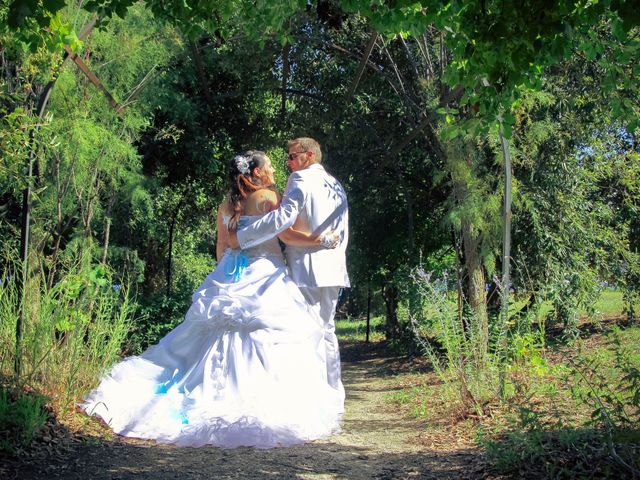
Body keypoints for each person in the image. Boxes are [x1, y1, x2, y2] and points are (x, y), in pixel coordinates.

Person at [82, 151, 343, 448]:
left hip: (231, 271)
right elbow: (287, 235)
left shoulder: (226, 204)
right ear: (256, 173)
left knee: (213, 331)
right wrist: (320, 240)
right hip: (264, 272)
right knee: (270, 331)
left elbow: (222, 245)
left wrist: (227, 276)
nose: (273, 171)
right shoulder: (270, 197)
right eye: (269, 166)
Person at [229, 137, 349, 401]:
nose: (288, 163)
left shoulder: (300, 179)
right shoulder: (336, 185)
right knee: (327, 330)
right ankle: (333, 394)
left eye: (292, 157)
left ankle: (312, 397)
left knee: (304, 331)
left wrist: (245, 234)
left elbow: (284, 219)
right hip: (333, 268)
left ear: (308, 156)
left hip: (306, 268)